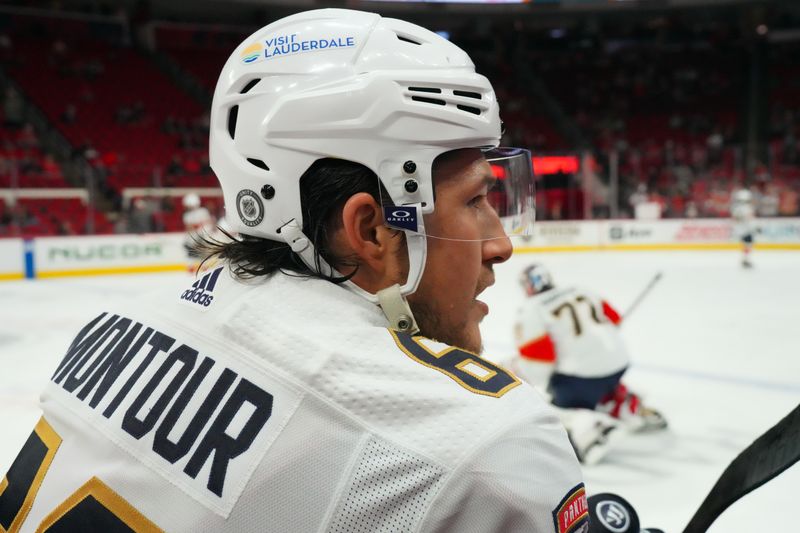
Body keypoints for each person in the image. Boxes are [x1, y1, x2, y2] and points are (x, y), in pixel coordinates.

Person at [2, 10, 586, 533]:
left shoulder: (113, 328)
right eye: (476, 200)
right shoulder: (484, 447)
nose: (501, 243)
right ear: (373, 229)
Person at [512, 263, 667, 464]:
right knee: (596, 383)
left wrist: (526, 378)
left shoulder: (531, 310)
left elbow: (540, 363)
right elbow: (615, 319)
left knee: (549, 402)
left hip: (582, 378)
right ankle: (624, 404)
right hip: (619, 364)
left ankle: (589, 428)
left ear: (527, 286)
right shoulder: (580, 290)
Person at [730, 187, 756, 268]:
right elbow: (750, 219)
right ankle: (745, 259)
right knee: (748, 245)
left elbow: (734, 219)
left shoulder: (735, 207)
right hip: (746, 230)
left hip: (740, 230)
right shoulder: (748, 208)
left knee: (746, 245)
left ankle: (745, 259)